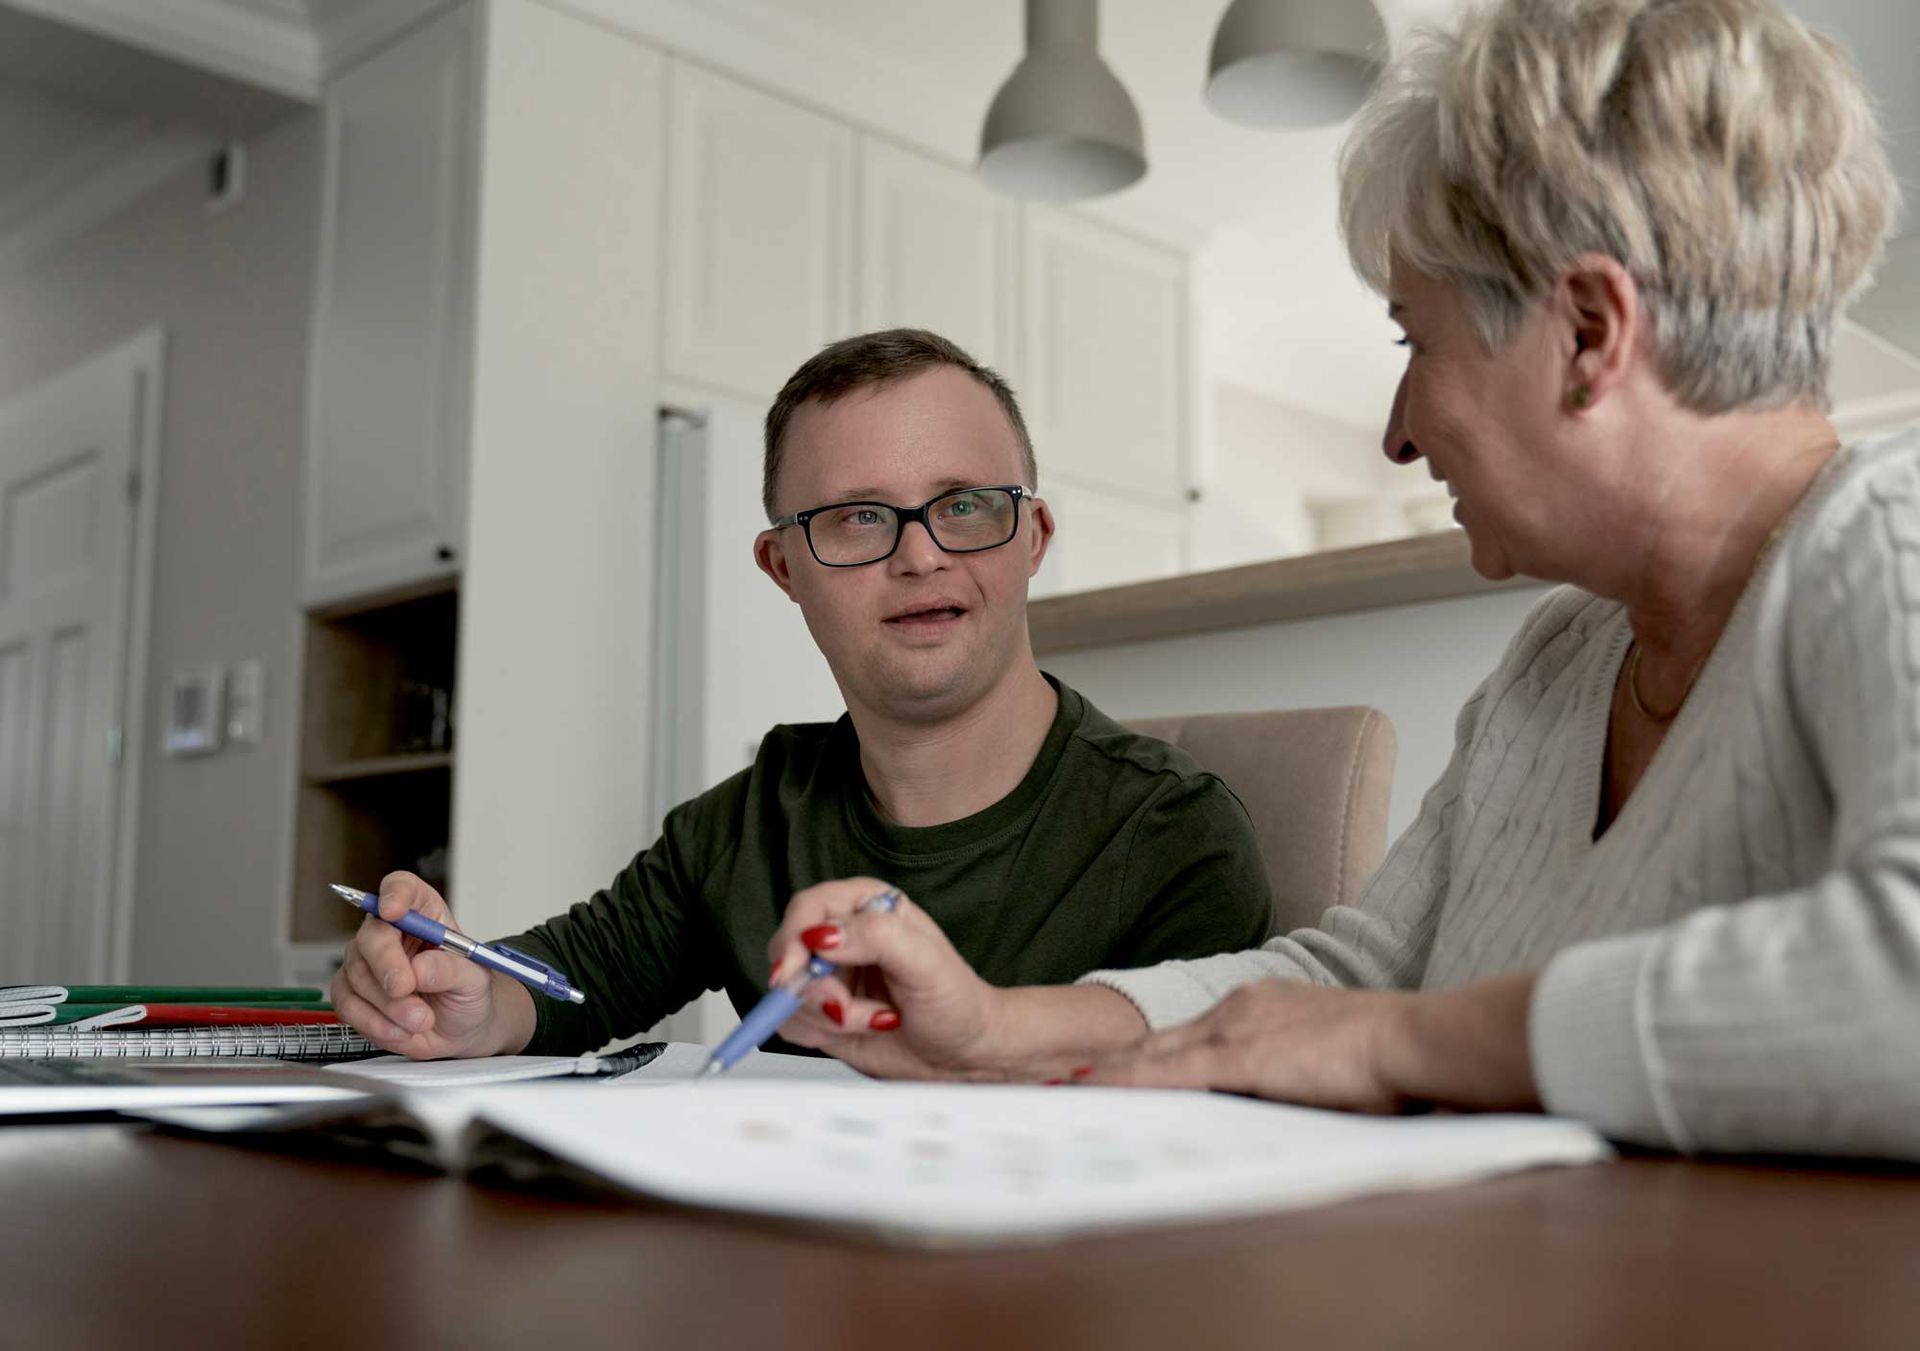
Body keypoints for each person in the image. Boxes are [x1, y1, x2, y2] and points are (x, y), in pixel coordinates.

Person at [765, 0, 1920, 1159]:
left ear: (1587, 331)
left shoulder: (1891, 534)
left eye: (1415, 342)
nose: (1398, 435)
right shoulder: (1557, 662)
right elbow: (1349, 978)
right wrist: (990, 1027)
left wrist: (1399, 1043)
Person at [331, 329, 1273, 1059]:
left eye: (965, 506)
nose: (920, 553)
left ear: (1033, 537)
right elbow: (563, 984)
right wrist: (457, 1001)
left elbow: (1184, 1108)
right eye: (858, 518)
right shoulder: (748, 823)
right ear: (784, 568)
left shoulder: (1175, 837)